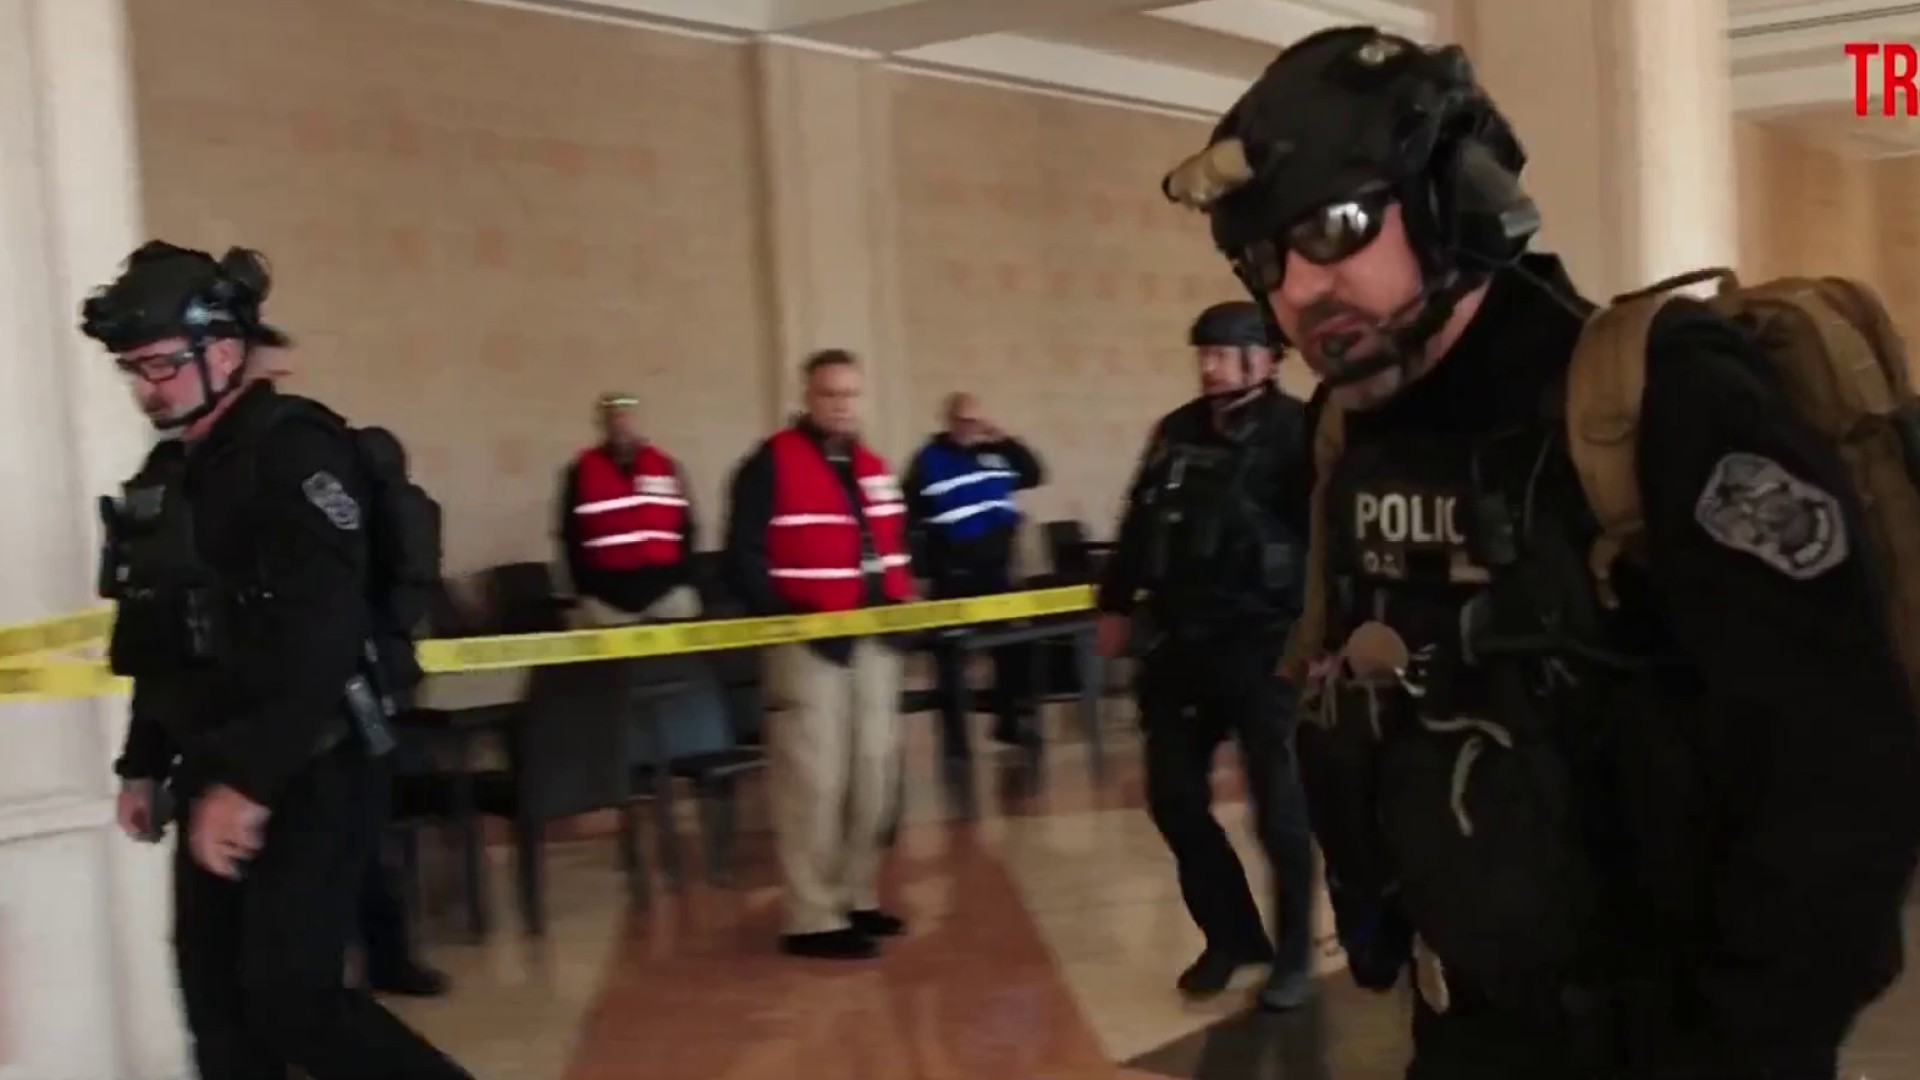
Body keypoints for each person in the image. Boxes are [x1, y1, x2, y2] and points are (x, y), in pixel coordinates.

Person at [1161, 26, 1920, 1078]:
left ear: (1453, 197)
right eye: (1261, 260)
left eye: (1334, 228)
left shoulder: (1665, 398)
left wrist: (1744, 1044)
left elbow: (1844, 771)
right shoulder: (1347, 436)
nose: (1295, 290)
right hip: (1466, 1032)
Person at [90, 241, 472, 1080]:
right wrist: (143, 763)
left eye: (160, 365)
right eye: (134, 369)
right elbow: (158, 633)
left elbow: (322, 640)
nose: (147, 387)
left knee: (296, 1000)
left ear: (225, 352)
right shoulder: (169, 471)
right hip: (216, 758)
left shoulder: (296, 451)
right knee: (217, 1010)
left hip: (316, 758)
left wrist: (248, 787)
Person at [1093, 301, 1317, 1010]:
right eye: (1204, 355)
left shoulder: (1299, 432)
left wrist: (1327, 636)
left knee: (1279, 810)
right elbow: (1139, 520)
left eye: (1223, 353)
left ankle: (1294, 953)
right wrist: (1114, 602)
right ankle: (1233, 936)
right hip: (1180, 643)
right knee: (1175, 798)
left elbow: (1326, 542)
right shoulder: (1177, 431)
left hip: (1265, 646)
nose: (1210, 366)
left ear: (1265, 359)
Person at [723, 349, 914, 960]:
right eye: (830, 394)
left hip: (876, 639)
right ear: (807, 398)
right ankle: (812, 916)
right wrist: (784, 617)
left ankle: (857, 895)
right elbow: (742, 555)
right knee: (814, 781)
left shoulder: (874, 468)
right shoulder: (768, 463)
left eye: (851, 394)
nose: (842, 405)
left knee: (873, 776)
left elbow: (895, 543)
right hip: (808, 643)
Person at [904, 392, 1046, 757]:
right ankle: (956, 744)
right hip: (954, 573)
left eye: (976, 421)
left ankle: (1010, 722)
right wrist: (921, 570)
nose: (971, 428)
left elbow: (1034, 473)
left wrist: (1006, 439)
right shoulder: (928, 459)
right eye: (964, 420)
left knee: (1016, 645)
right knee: (951, 657)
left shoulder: (993, 454)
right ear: (949, 421)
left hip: (998, 570)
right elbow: (908, 518)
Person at [556, 392, 701, 622]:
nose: (620, 423)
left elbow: (687, 527)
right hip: (605, 600)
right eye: (613, 417)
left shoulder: (666, 467)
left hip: (669, 595)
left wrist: (684, 578)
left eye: (626, 416)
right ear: (602, 423)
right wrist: (584, 589)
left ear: (637, 420)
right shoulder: (580, 472)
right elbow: (570, 535)